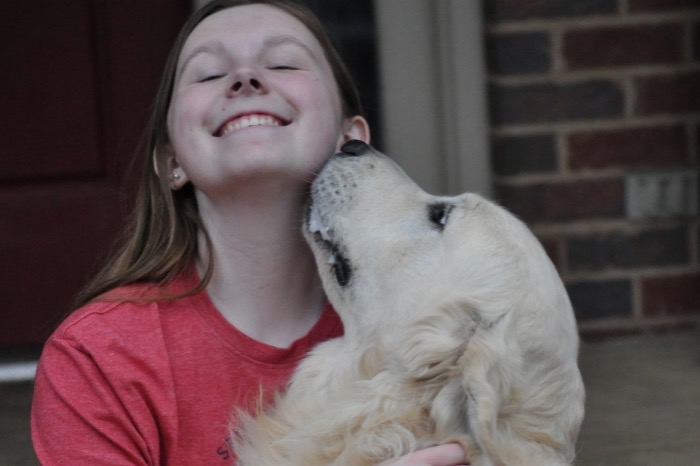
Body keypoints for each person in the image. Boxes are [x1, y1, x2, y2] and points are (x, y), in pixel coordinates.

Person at [30, 1, 469, 465]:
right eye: (208, 74)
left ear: (350, 141)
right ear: (172, 162)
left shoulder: (436, 329)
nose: (244, 77)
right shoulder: (98, 358)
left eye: (283, 62)